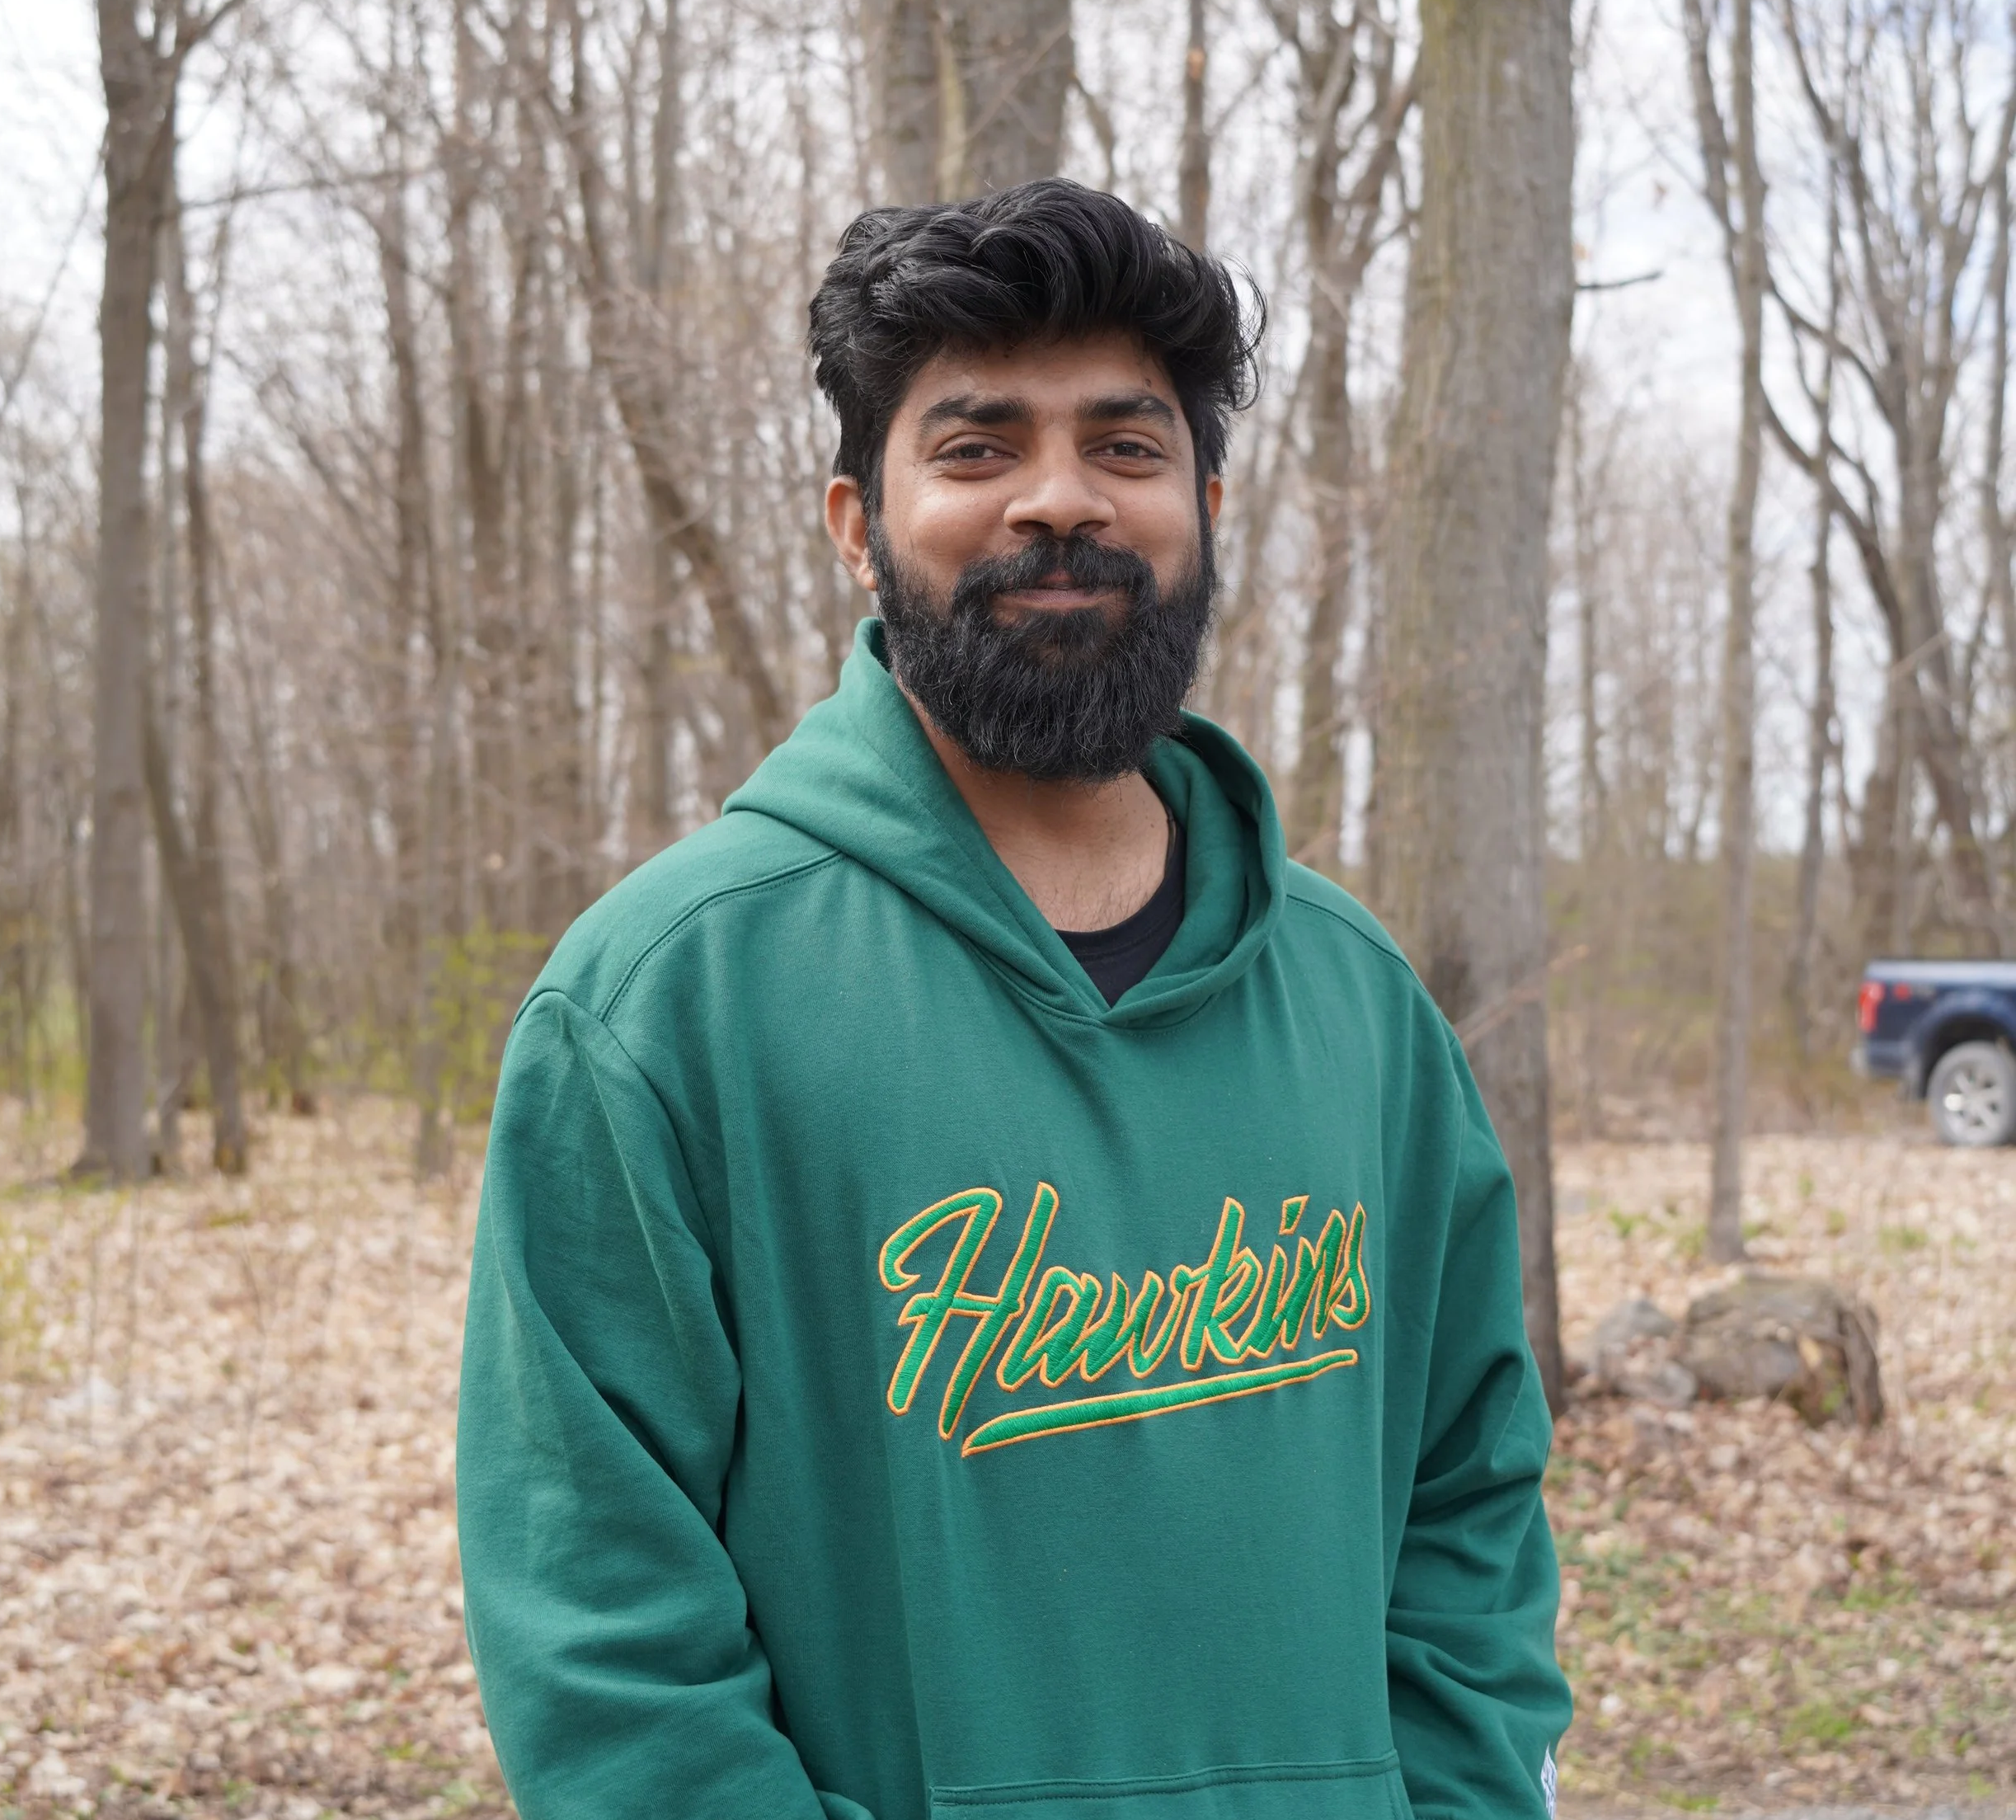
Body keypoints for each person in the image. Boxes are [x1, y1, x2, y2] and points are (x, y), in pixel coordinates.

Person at [455, 179, 1571, 1820]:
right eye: (976, 448)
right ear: (854, 522)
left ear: (1202, 498)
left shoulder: (1357, 1006)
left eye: (1123, 447)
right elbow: (604, 1645)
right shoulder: (660, 1007)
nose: (1058, 500)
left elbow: (1469, 1506)